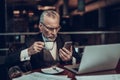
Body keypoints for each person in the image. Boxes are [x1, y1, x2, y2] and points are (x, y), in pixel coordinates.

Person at [5, 10, 81, 71]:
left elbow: (79, 60)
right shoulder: (32, 41)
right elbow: (8, 60)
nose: (55, 33)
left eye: (57, 28)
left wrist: (71, 58)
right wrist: (28, 51)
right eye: (50, 28)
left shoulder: (65, 39)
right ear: (41, 27)